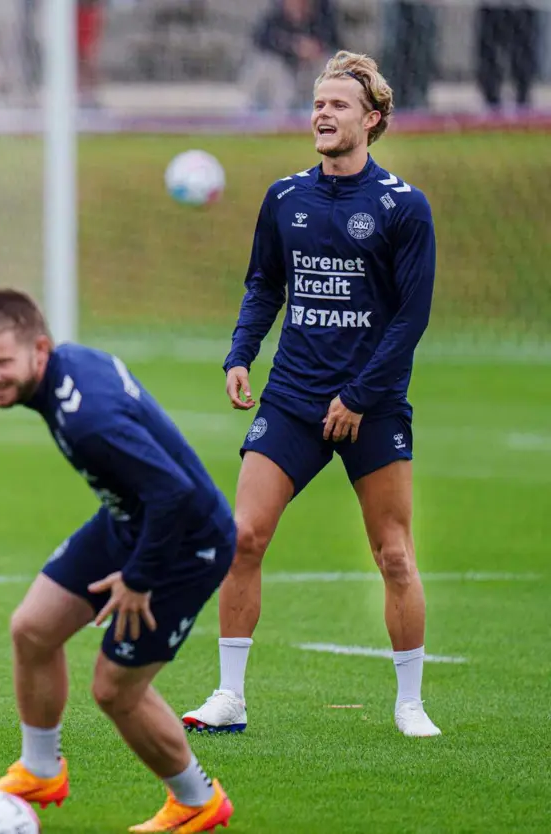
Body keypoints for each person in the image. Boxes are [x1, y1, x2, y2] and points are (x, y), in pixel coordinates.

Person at [182, 50, 441, 738]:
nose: (323, 114)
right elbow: (265, 283)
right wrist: (241, 353)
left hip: (371, 404)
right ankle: (230, 697)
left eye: (339, 105)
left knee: (392, 552)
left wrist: (358, 396)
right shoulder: (285, 197)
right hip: (293, 397)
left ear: (372, 119)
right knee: (242, 538)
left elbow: (410, 320)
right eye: (319, 103)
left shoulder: (403, 207)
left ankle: (410, 704)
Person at [0, 290, 236, 834]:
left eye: (1, 363)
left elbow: (175, 495)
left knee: (115, 690)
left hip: (186, 540)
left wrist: (138, 579)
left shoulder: (89, 419)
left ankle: (197, 801)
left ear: (40, 348)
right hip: (131, 518)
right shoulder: (67, 366)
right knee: (32, 629)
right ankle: (40, 771)